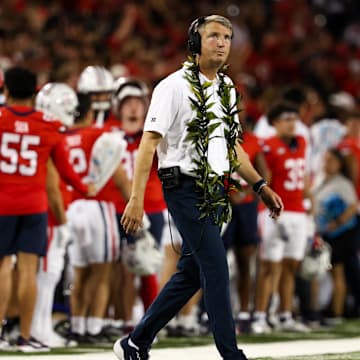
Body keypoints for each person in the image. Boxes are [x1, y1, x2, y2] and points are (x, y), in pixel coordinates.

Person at [113, 15, 283, 360]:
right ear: (195, 43)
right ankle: (231, 354)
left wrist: (260, 184)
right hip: (184, 187)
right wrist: (135, 199)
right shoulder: (171, 87)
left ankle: (136, 341)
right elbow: (148, 143)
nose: (222, 43)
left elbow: (233, 146)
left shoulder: (226, 89)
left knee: (191, 273)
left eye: (227, 37)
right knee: (217, 267)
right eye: (214, 36)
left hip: (215, 190)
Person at [0, 67, 95, 352]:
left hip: (3, 203)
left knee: (3, 267)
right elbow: (64, 168)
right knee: (29, 270)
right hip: (34, 205)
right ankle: (25, 338)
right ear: (34, 94)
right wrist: (84, 187)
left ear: (6, 91)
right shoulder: (48, 124)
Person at [252, 103, 310, 334]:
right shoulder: (267, 146)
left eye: (294, 118)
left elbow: (303, 176)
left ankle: (285, 314)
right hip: (275, 211)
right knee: (268, 265)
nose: (291, 123)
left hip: (298, 210)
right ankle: (260, 315)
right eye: (286, 118)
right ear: (274, 122)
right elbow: (263, 179)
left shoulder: (302, 142)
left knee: (291, 265)